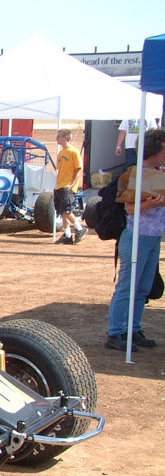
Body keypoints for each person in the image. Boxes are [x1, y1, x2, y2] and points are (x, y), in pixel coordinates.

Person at [105, 127, 165, 352]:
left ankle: (132, 329)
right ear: (156, 149)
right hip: (137, 235)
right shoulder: (136, 174)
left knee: (142, 288)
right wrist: (151, 203)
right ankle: (115, 332)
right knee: (128, 287)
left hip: (152, 237)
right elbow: (129, 208)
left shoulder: (156, 173)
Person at [53, 129, 87, 245]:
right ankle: (67, 235)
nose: (57, 139)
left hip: (68, 186)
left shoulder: (74, 152)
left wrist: (73, 184)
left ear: (66, 137)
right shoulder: (61, 153)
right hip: (60, 185)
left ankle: (79, 228)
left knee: (66, 210)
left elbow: (79, 169)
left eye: (59, 136)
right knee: (62, 211)